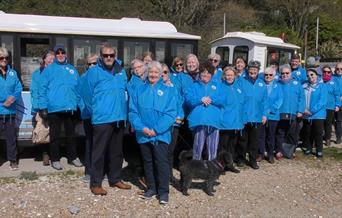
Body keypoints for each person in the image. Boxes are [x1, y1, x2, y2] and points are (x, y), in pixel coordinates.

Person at [85, 42, 131, 195]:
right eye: (106, 55)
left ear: (115, 56)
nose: (109, 58)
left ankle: (115, 179)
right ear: (101, 56)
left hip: (118, 118)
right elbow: (86, 95)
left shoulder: (121, 71)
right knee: (99, 153)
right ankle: (96, 183)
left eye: (112, 55)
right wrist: (96, 112)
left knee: (117, 152)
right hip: (102, 119)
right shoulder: (93, 72)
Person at [129, 61, 177, 204]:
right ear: (146, 73)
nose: (153, 75)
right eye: (151, 72)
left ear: (161, 74)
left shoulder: (169, 91)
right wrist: (142, 128)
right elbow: (133, 111)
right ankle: (151, 188)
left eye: (156, 72)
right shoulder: (139, 90)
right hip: (143, 134)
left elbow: (170, 114)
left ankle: (163, 192)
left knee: (161, 163)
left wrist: (156, 129)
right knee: (148, 162)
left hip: (160, 134)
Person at [38, 45, 83, 170]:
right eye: (57, 53)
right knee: (55, 136)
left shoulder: (72, 69)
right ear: (55, 55)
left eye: (62, 52)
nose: (60, 55)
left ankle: (73, 157)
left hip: (70, 108)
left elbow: (78, 89)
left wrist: (79, 106)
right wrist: (42, 107)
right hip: (54, 109)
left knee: (71, 136)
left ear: (66, 54)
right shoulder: (49, 70)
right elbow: (42, 89)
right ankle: (55, 159)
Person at [185, 61, 223, 161]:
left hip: (213, 121)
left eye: (208, 73)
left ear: (211, 74)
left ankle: (212, 170)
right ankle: (195, 168)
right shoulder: (194, 85)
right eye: (203, 72)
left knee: (212, 148)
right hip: (199, 121)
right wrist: (200, 99)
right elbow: (188, 100)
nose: (205, 75)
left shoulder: (217, 85)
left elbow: (223, 99)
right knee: (197, 147)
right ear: (200, 73)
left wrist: (211, 99)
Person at [237, 60, 267, 169]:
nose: (253, 71)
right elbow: (238, 98)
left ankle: (253, 160)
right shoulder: (241, 81)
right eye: (251, 69)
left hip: (257, 117)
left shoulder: (262, 83)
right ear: (247, 70)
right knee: (242, 140)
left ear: (258, 71)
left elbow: (265, 101)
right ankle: (240, 158)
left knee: (254, 141)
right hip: (244, 116)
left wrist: (264, 115)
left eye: (255, 69)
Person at [30, 49, 55, 166]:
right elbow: (34, 91)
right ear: (44, 59)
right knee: (42, 132)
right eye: (49, 57)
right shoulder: (37, 73)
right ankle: (45, 154)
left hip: (54, 107)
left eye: (52, 57)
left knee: (53, 132)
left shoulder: (57, 72)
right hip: (41, 107)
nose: (51, 59)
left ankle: (54, 154)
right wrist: (38, 107)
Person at [0, 47, 23, 170]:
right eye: (1, 58)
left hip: (10, 111)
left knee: (11, 138)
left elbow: (18, 88)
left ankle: (13, 160)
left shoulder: (13, 73)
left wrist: (12, 98)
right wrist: (4, 100)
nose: (4, 60)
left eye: (6, 58)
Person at [276, 64, 305, 159]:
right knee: (280, 132)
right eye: (283, 73)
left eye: (287, 73)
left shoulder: (297, 84)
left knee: (292, 133)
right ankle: (279, 151)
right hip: (280, 112)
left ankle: (291, 151)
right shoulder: (277, 84)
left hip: (293, 112)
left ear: (291, 73)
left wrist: (300, 110)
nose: (285, 75)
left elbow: (302, 98)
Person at [218, 66, 244, 173]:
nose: (229, 77)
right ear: (224, 76)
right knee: (222, 146)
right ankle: (221, 166)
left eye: (231, 75)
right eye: (227, 75)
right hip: (224, 122)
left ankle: (230, 164)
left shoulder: (238, 87)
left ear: (235, 76)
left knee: (232, 146)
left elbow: (241, 104)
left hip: (236, 122)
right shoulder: (220, 87)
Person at [77, 53, 98, 182]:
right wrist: (84, 108)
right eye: (89, 64)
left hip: (101, 117)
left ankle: (101, 171)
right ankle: (89, 172)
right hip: (88, 115)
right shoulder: (83, 77)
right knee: (90, 142)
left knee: (101, 144)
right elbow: (79, 95)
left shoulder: (103, 77)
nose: (91, 66)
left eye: (94, 63)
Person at [161, 63, 183, 181]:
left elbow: (179, 103)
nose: (163, 74)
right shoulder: (156, 87)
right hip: (161, 124)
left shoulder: (174, 87)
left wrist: (180, 117)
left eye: (165, 72)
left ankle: (169, 175)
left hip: (174, 124)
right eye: (161, 72)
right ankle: (160, 175)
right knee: (161, 152)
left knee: (170, 151)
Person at [258, 67, 283, 163]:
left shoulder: (278, 86)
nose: (268, 76)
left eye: (270, 75)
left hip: (273, 115)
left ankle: (270, 154)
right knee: (261, 135)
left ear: (274, 76)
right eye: (266, 75)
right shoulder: (261, 85)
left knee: (271, 136)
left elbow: (280, 100)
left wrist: (269, 111)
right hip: (261, 115)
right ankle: (260, 153)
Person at [302, 69, 327, 158]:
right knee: (307, 132)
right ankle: (308, 148)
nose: (310, 77)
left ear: (316, 75)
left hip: (318, 114)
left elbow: (322, 101)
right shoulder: (304, 86)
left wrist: (312, 111)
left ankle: (319, 150)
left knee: (318, 133)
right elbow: (301, 98)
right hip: (306, 114)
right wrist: (303, 109)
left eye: (312, 74)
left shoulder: (322, 86)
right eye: (308, 76)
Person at [322, 65, 340, 146]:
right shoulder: (319, 81)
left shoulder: (334, 82)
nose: (326, 73)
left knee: (328, 124)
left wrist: (337, 105)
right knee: (320, 123)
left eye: (328, 72)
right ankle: (318, 138)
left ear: (331, 73)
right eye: (324, 72)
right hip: (320, 107)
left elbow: (337, 95)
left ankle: (327, 138)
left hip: (330, 107)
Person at [333, 62, 342, 144]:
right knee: (335, 121)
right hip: (335, 102)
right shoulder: (332, 78)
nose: (339, 70)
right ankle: (338, 136)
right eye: (337, 69)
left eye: (341, 69)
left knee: (339, 120)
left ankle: (339, 136)